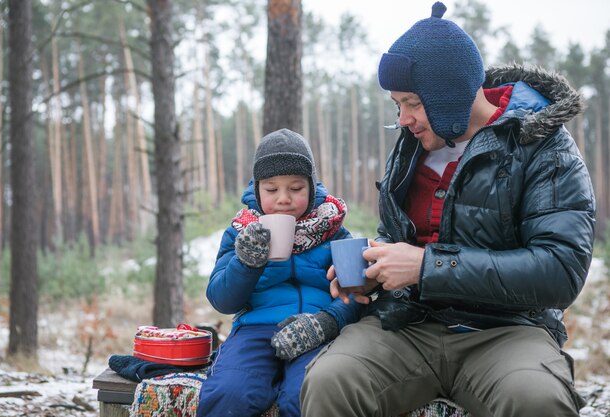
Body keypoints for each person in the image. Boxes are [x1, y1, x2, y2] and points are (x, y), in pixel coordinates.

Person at [300, 3, 595, 417]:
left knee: (536, 399)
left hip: (508, 332)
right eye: (396, 104)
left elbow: (560, 271)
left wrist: (427, 266)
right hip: (410, 326)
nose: (402, 119)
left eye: (412, 103)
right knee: (331, 381)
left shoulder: (544, 146)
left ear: (449, 95)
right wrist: (373, 269)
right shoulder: (414, 144)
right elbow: (401, 239)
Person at [196, 128, 362, 417]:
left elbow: (357, 295)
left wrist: (324, 323)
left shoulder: (334, 231)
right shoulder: (240, 232)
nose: (283, 199)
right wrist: (245, 263)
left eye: (296, 188)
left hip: (317, 331)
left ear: (311, 187)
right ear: (257, 189)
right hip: (253, 332)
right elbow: (222, 300)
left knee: (307, 394)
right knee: (229, 392)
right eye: (271, 189)